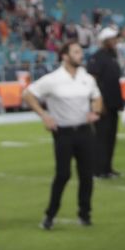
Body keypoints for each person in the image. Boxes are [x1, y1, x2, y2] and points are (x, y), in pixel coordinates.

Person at [22, 41, 103, 230]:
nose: (80, 55)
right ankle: (50, 214)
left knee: (86, 175)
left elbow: (97, 97)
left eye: (80, 52)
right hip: (63, 133)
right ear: (65, 56)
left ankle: (85, 214)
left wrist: (95, 112)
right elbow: (28, 94)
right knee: (63, 174)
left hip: (84, 131)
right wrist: (44, 115)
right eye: (76, 52)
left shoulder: (87, 78)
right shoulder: (53, 79)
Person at [86, 25, 125, 178]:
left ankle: (108, 168)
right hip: (103, 104)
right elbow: (92, 81)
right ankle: (98, 169)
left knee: (111, 137)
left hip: (113, 103)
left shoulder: (112, 56)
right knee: (101, 138)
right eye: (113, 39)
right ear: (106, 40)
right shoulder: (98, 57)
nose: (116, 41)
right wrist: (97, 103)